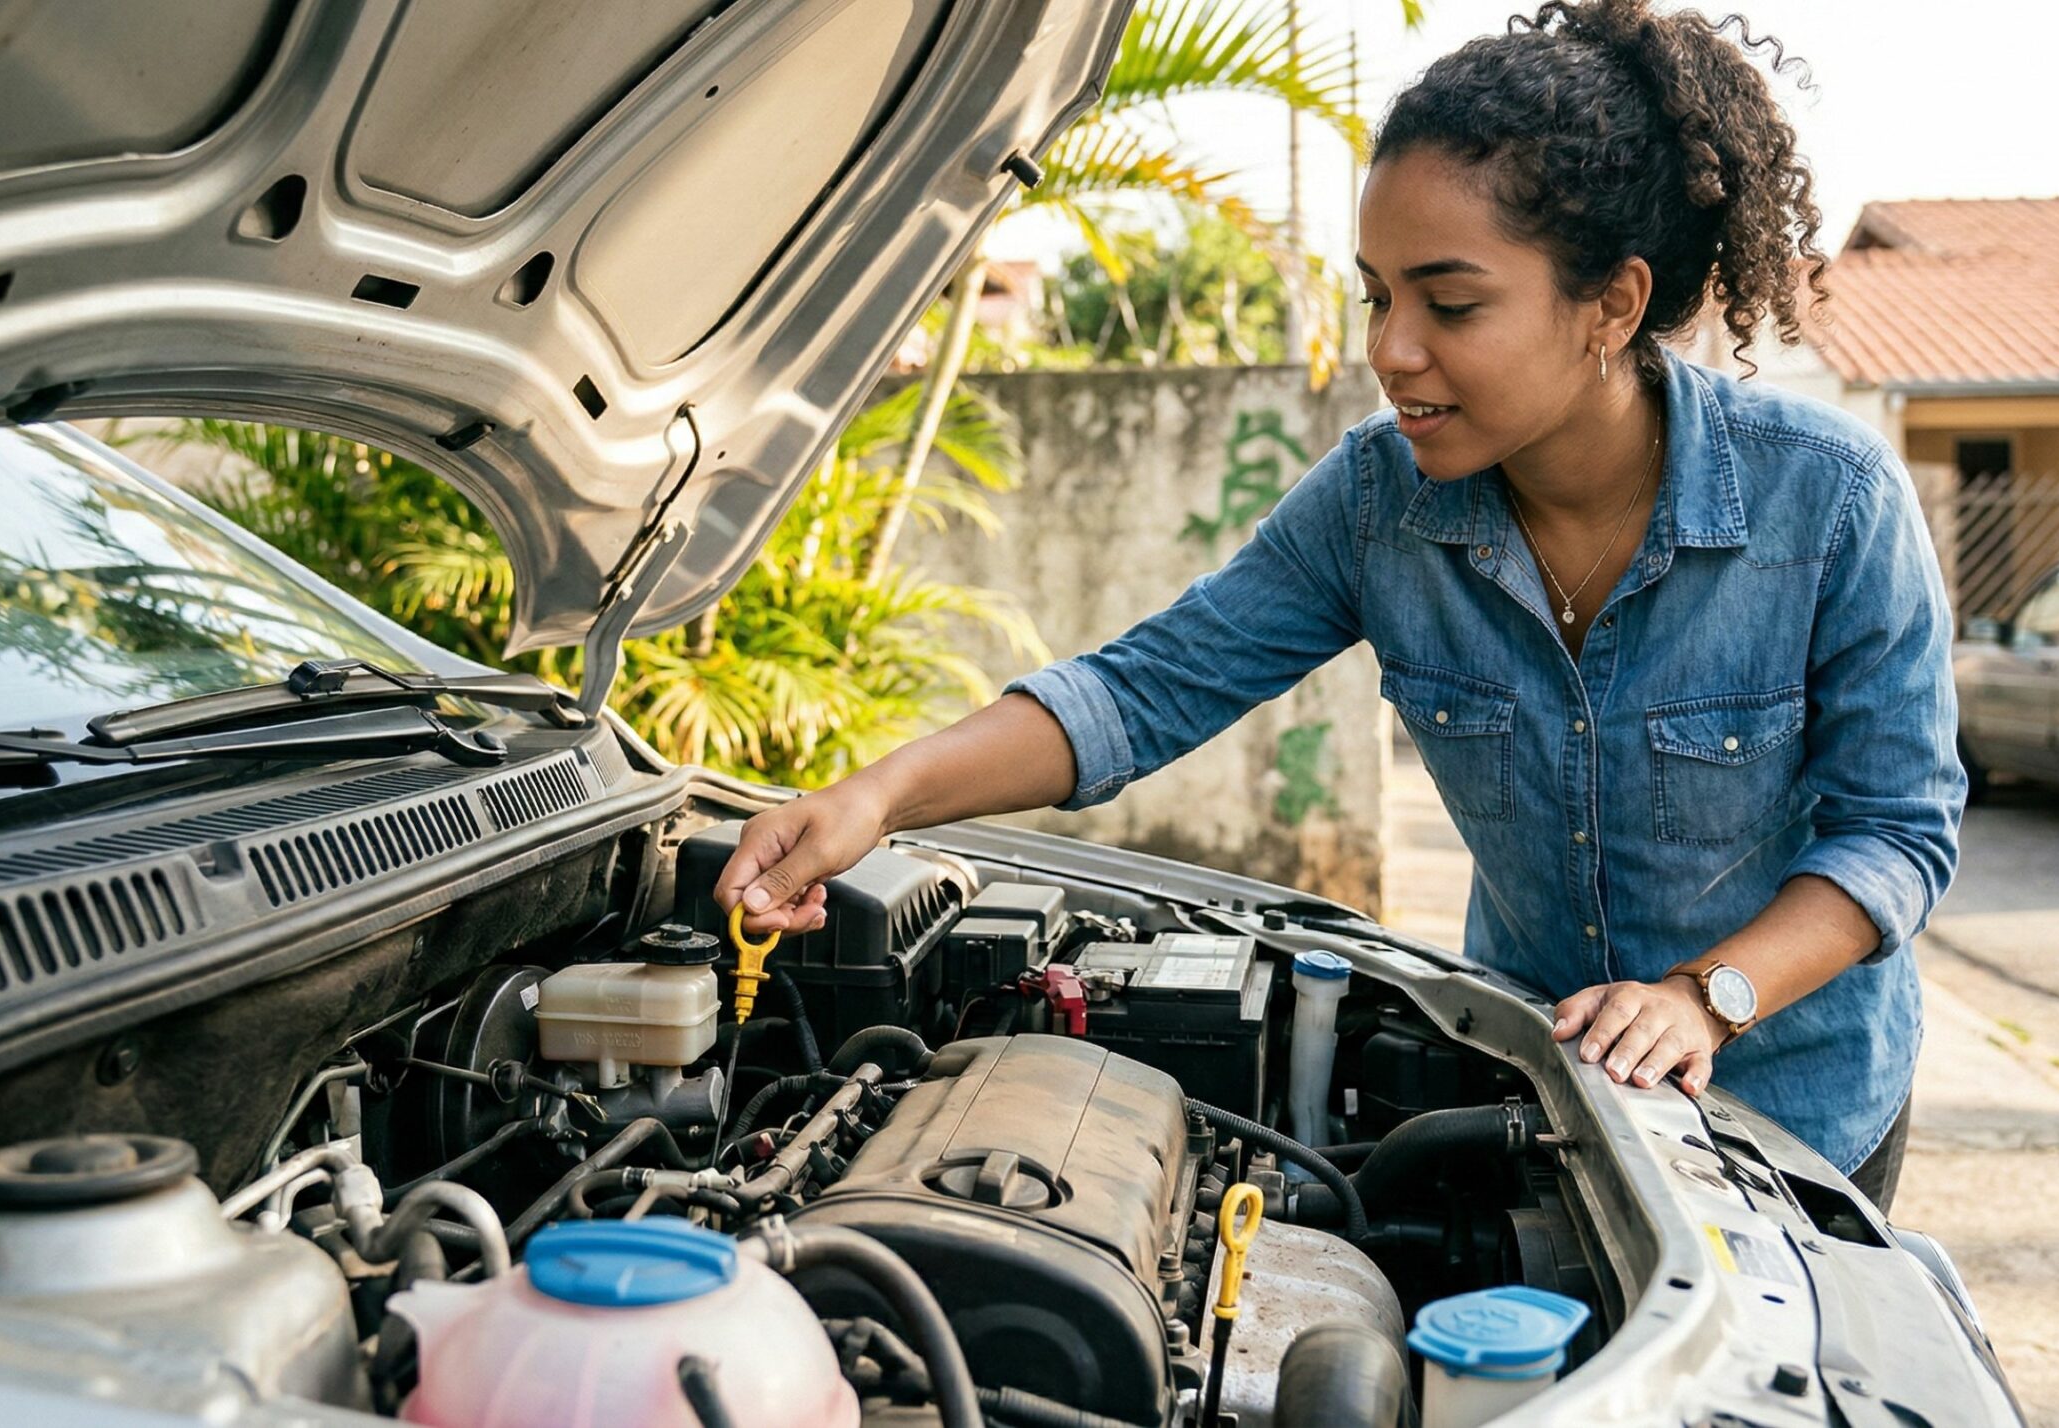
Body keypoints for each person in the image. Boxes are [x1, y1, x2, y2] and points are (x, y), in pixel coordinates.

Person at [712, 0, 1960, 1212]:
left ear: (1612, 305)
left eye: (1450, 303)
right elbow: (1143, 690)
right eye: (1377, 295)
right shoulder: (1378, 501)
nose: (1391, 347)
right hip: (1544, 1088)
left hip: (1793, 1111)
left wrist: (1707, 995)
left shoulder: (1831, 500)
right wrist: (874, 799)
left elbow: (1896, 831)